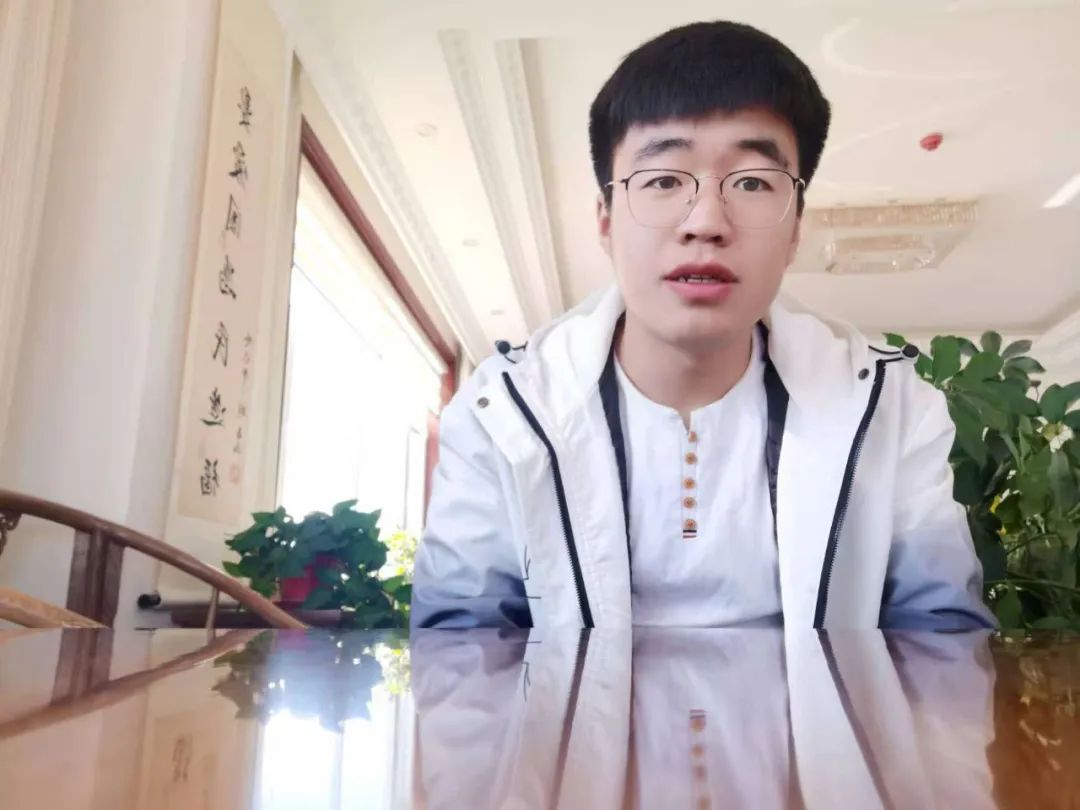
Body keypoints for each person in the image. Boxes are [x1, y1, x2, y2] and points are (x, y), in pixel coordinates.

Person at [410, 20, 995, 630]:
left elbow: (942, 635)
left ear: (796, 228)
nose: (706, 221)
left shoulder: (893, 406)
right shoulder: (499, 410)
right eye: (664, 180)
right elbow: (461, 643)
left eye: (753, 182)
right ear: (605, 219)